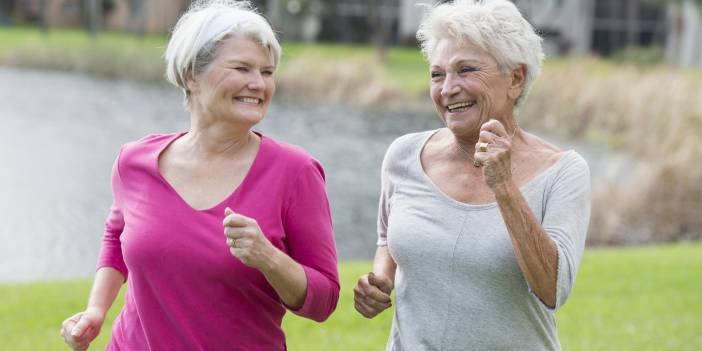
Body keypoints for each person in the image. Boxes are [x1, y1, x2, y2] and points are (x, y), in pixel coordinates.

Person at [59, 1, 339, 350]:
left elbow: (324, 301)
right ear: (192, 75)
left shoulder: (296, 173)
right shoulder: (134, 162)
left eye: (267, 73)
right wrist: (96, 310)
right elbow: (117, 237)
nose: (258, 83)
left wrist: (269, 258)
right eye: (242, 68)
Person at [353, 1, 590, 350]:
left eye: (465, 70)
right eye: (437, 74)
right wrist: (380, 279)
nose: (448, 88)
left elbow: (552, 289)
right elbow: (387, 239)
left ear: (515, 78)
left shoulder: (563, 172)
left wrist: (504, 186)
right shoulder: (403, 156)